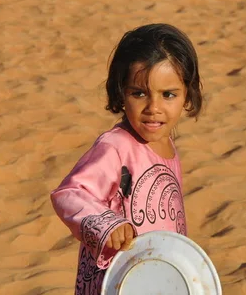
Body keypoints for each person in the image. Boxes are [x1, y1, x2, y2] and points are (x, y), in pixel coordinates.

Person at [50, 23, 203, 294]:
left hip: (155, 279)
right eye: (139, 93)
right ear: (121, 92)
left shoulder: (165, 142)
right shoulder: (116, 147)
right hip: (115, 282)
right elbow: (69, 193)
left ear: (187, 94)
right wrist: (107, 226)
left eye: (168, 95)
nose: (153, 108)